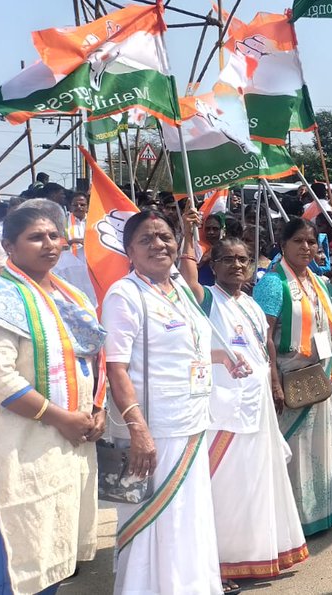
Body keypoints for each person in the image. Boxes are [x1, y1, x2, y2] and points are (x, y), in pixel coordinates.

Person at [0, 204, 105, 594]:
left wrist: (97, 408)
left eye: (54, 235)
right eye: (35, 237)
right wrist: (60, 418)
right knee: (18, 541)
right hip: (19, 443)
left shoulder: (72, 296)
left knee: (52, 539)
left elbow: (92, 358)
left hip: (68, 442)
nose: (49, 244)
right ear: (9, 246)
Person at [177, 222, 308, 588]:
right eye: (228, 259)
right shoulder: (206, 298)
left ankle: (255, 556)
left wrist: (275, 383)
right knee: (225, 489)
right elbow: (187, 280)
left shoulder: (250, 303)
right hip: (225, 410)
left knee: (256, 485)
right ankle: (217, 564)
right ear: (213, 264)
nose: (236, 265)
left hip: (258, 405)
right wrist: (187, 235)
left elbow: (265, 346)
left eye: (243, 260)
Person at [102, 210, 221, 593]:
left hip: (192, 421)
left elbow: (187, 348)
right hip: (155, 429)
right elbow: (116, 368)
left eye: (165, 237)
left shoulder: (180, 288)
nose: (158, 245)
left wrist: (225, 358)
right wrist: (138, 429)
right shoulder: (125, 294)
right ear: (129, 250)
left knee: (188, 517)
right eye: (146, 239)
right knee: (155, 519)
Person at [253, 218, 332, 537]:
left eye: (311, 241)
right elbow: (263, 336)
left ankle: (317, 515)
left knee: (318, 451)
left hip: (318, 379)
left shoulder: (318, 281)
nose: (306, 247)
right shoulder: (273, 283)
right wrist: (273, 382)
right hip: (288, 380)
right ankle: (289, 522)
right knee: (292, 452)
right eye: (298, 240)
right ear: (283, 245)